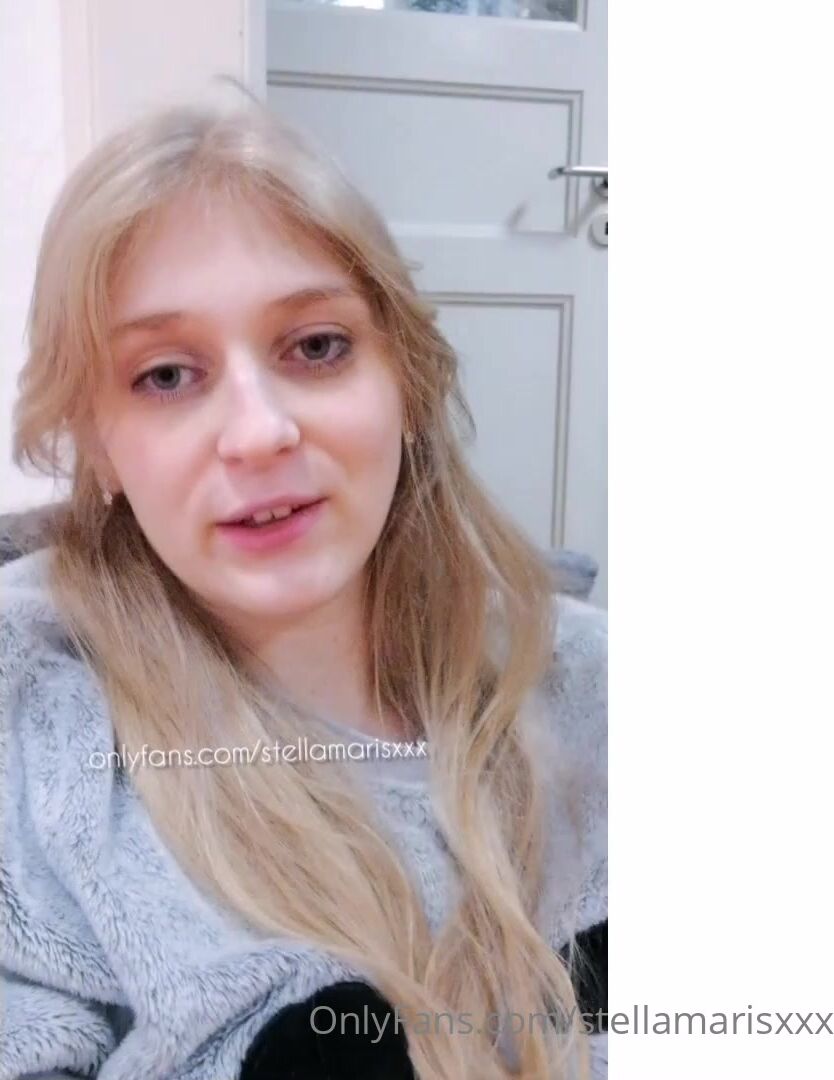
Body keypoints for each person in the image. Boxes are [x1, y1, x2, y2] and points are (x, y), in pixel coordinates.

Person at [0, 100, 607, 1080]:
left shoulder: (594, 690)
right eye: (166, 375)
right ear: (98, 446)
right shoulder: (37, 750)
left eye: (316, 347)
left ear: (404, 381)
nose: (258, 432)